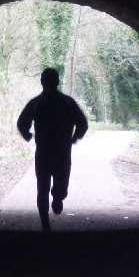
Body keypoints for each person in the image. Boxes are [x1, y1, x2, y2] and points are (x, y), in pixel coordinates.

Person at [16, 67, 89, 232]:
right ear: (57, 82)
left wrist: (28, 135)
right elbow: (82, 123)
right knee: (61, 183)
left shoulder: (36, 103)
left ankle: (45, 223)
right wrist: (75, 138)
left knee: (42, 187)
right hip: (62, 152)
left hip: (42, 152)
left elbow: (22, 122)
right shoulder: (68, 102)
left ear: (42, 82)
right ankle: (57, 198)